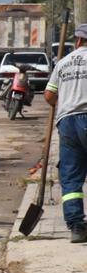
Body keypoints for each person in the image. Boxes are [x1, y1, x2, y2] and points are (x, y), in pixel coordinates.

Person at [44, 23, 87, 243]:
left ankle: (76, 227)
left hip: (68, 122)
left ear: (78, 41)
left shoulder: (63, 63)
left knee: (71, 177)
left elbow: (49, 97)